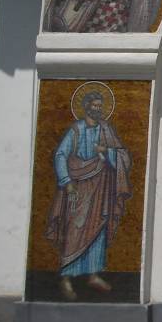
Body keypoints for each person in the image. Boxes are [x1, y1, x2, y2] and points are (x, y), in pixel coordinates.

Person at [45, 90, 132, 301]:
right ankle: (66, 278)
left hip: (101, 189)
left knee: (98, 228)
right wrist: (66, 182)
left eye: (99, 106)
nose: (97, 109)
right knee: (74, 229)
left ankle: (93, 275)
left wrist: (107, 151)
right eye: (94, 105)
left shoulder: (106, 129)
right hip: (78, 188)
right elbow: (61, 155)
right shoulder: (76, 130)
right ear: (86, 107)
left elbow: (123, 156)